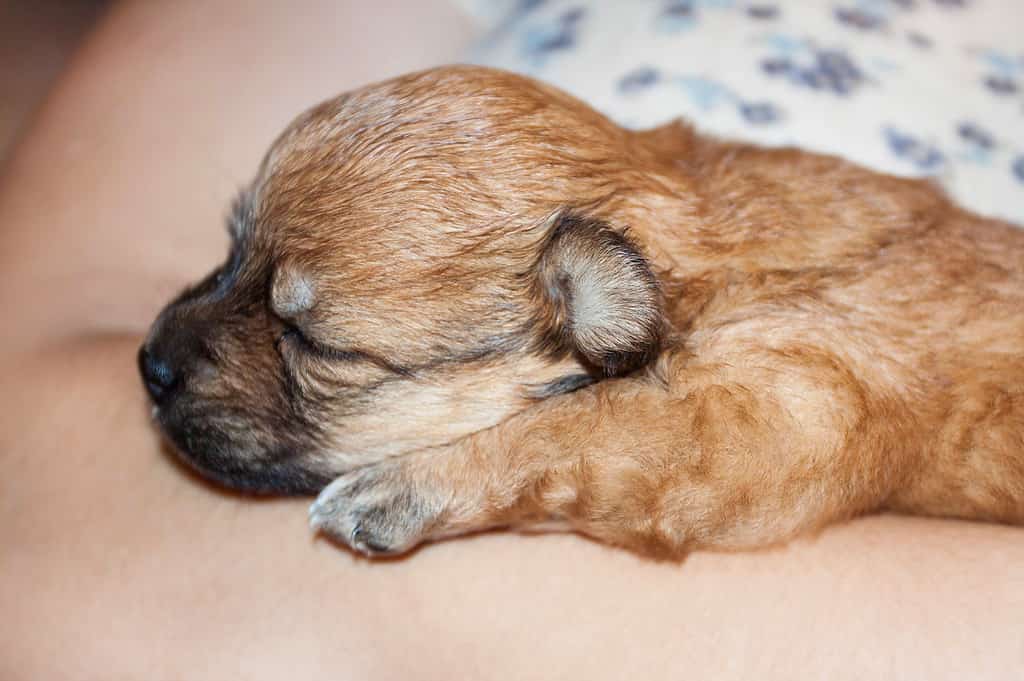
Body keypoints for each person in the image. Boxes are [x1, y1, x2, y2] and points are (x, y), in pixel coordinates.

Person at [1, 2, 1020, 678]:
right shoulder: (662, 210)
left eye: (319, 349)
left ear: (584, 328)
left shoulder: (784, 342)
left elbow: (737, 445)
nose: (175, 345)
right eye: (237, 251)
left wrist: (498, 472)